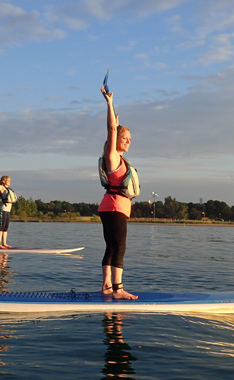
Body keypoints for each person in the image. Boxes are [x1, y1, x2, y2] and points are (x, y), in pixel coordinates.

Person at [98, 85, 138, 300]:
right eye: (126, 138)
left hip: (111, 207)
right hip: (114, 207)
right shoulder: (112, 157)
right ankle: (118, 289)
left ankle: (106, 286)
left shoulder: (119, 159)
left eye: (130, 139)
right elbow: (111, 130)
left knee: (112, 247)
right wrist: (110, 104)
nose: (128, 141)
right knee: (119, 247)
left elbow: (114, 130)